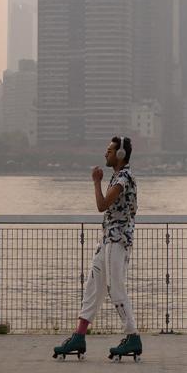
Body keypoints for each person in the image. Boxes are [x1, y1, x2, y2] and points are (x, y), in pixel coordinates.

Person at [53, 136, 141, 361]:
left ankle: (132, 336)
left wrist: (95, 181)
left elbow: (102, 205)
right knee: (94, 287)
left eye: (110, 151)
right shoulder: (117, 177)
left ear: (120, 155)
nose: (106, 154)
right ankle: (79, 335)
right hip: (107, 241)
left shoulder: (123, 177)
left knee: (115, 288)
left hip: (117, 241)